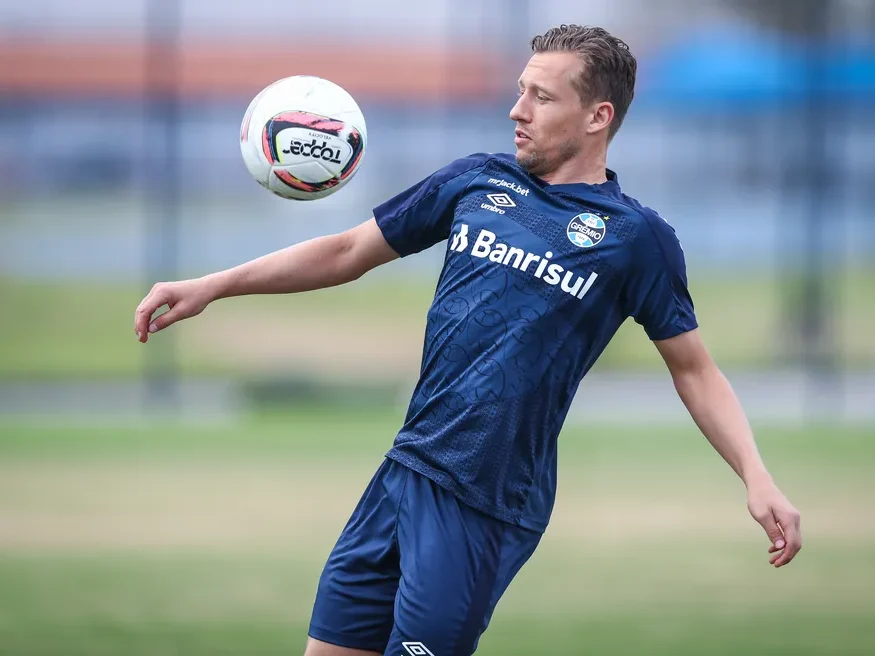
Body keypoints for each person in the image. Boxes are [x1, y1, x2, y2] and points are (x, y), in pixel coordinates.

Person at [134, 24, 802, 656]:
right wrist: (213, 285)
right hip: (402, 472)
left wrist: (756, 474)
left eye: (540, 97)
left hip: (484, 501)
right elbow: (345, 251)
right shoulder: (477, 181)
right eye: (519, 90)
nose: (517, 110)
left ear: (597, 117)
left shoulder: (636, 240)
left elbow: (694, 371)